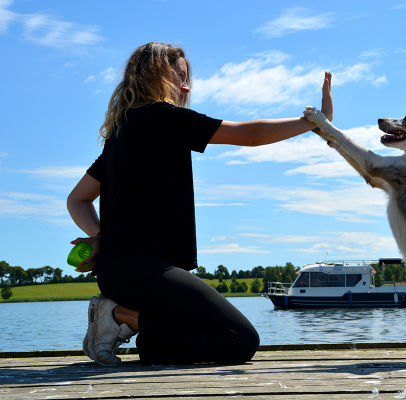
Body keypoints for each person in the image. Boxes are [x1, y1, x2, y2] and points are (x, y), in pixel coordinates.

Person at [67, 42, 332, 366]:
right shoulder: (164, 118)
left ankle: (125, 321)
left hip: (120, 273)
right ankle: (119, 315)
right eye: (179, 76)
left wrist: (99, 238)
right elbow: (251, 134)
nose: (186, 86)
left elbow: (77, 199)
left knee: (207, 335)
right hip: (145, 272)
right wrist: (314, 123)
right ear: (156, 76)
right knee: (240, 339)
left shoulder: (122, 130)